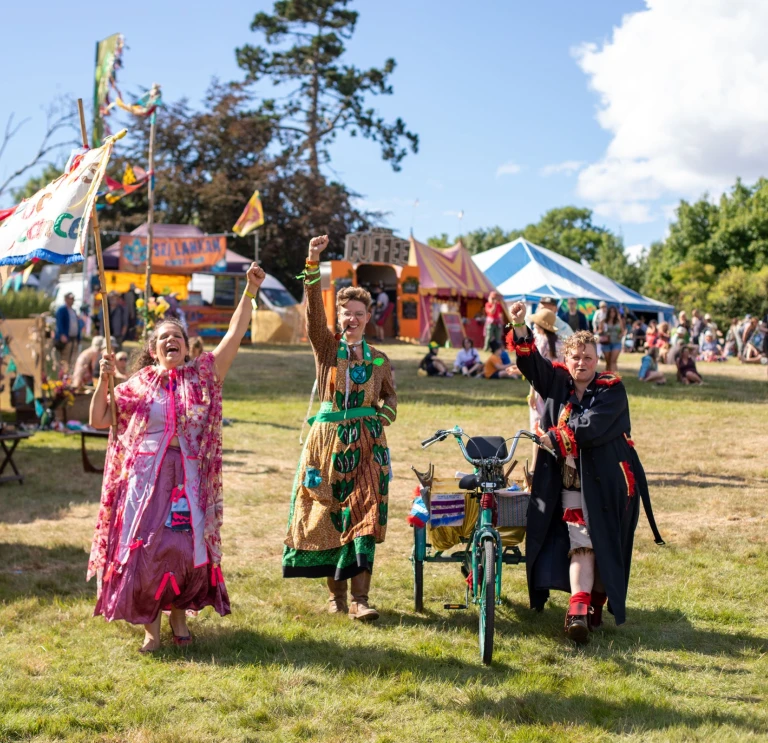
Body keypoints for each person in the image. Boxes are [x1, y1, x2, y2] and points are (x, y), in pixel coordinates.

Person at [87, 262, 266, 653]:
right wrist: (104, 383)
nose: (172, 341)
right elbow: (100, 419)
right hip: (145, 480)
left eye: (177, 337)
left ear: (186, 346)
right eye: (164, 338)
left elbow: (234, 334)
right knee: (146, 549)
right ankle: (151, 631)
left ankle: (180, 618)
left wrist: (249, 292)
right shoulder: (138, 384)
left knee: (183, 549)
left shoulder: (202, 375)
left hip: (188, 479)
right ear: (153, 350)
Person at [507, 301, 663, 643]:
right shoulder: (558, 381)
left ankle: (591, 605)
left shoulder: (612, 390)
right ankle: (579, 608)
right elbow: (531, 363)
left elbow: (590, 427)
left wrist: (553, 436)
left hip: (610, 483)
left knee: (606, 544)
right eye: (576, 357)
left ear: (597, 360)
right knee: (582, 543)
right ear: (567, 358)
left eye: (588, 357)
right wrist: (519, 326)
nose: (582, 363)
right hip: (570, 480)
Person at [283, 235, 397, 622]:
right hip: (326, 444)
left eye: (359, 313)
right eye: (346, 313)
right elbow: (314, 315)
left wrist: (379, 418)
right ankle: (336, 596)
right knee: (328, 514)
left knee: (365, 514)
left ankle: (361, 599)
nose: (352, 318)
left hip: (368, 446)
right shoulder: (327, 349)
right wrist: (312, 265)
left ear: (368, 317)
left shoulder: (380, 360)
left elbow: (391, 400)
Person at [55, 292, 81, 372]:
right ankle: (63, 376)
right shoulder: (61, 310)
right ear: (66, 299)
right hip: (66, 338)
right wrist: (62, 334)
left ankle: (68, 376)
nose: (72, 300)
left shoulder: (73, 310)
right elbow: (60, 323)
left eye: (73, 299)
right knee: (65, 360)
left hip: (73, 338)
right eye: (70, 298)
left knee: (72, 359)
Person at [599, 305, 625, 372]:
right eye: (611, 312)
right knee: (608, 362)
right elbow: (599, 331)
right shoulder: (603, 321)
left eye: (614, 312)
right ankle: (608, 376)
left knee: (613, 361)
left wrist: (620, 335)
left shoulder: (619, 321)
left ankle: (614, 378)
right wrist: (602, 331)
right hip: (606, 343)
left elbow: (623, 331)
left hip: (616, 342)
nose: (612, 313)